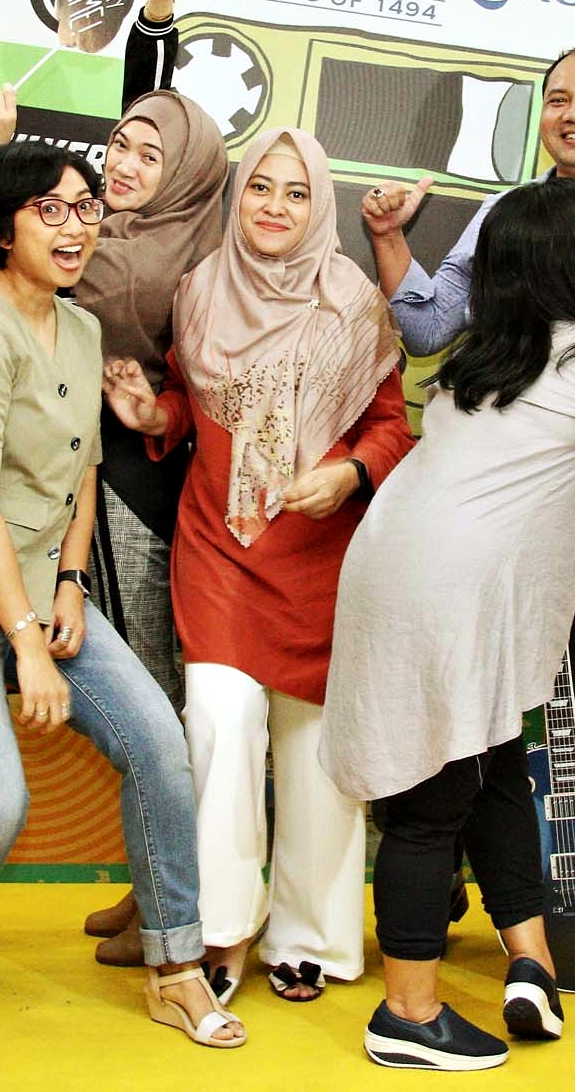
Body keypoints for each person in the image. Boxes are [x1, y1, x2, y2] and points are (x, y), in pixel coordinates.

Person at [322, 177, 575, 1071]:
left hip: (395, 572)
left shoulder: (482, 356)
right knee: (430, 803)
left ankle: (533, 963)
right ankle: (407, 1016)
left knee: (492, 768)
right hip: (460, 598)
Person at [0, 141, 241, 1047]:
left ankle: (176, 965)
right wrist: (27, 640)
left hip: (42, 584)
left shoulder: (79, 328)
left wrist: (72, 585)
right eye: (51, 209)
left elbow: (82, 472)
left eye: (85, 207)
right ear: (3, 230)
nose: (75, 226)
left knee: (159, 742)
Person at [103, 128, 414, 1005]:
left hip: (320, 558)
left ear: (319, 205)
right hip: (221, 549)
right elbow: (190, 403)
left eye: (296, 192)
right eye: (260, 188)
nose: (275, 206)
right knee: (217, 721)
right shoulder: (202, 289)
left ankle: (308, 936)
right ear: (237, 197)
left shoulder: (354, 303)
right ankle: (217, 929)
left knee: (314, 750)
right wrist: (154, 416)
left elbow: (392, 427)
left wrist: (349, 474)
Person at [0, 0, 227, 966]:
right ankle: (153, 883)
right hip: (123, 482)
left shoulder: (123, 263)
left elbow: (25, 275)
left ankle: (177, 898)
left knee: (146, 703)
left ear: (186, 173)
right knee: (146, 705)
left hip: (131, 495)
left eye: (148, 156)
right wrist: (153, 23)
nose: (122, 164)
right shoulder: (163, 231)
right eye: (117, 144)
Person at [362, 43, 575, 741]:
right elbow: (429, 328)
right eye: (558, 100)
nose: (574, 114)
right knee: (473, 710)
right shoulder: (507, 211)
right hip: (494, 515)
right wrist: (388, 238)